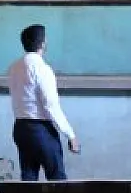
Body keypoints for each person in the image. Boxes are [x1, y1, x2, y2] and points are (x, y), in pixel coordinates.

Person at [6, 24, 79, 182]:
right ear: (43, 43)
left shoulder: (14, 68)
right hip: (40, 130)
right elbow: (50, 105)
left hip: (20, 128)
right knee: (57, 179)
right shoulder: (42, 69)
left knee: (29, 179)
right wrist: (70, 134)